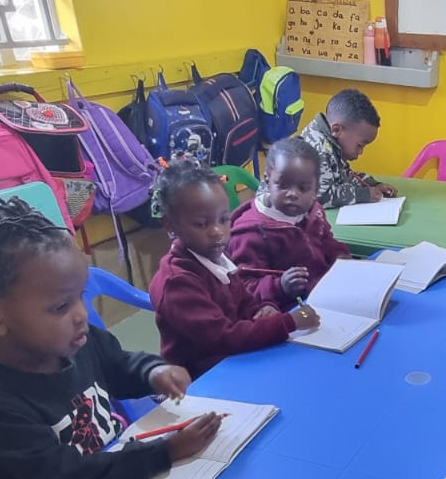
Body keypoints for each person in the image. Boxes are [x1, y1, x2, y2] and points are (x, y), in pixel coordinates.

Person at [0, 199, 221, 479]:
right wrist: (165, 453)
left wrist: (152, 371)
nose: (82, 315)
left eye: (80, 296)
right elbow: (63, 477)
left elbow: (118, 365)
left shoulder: (76, 341)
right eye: (61, 307)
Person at [149, 162, 319, 378]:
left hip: (237, 360)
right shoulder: (177, 283)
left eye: (224, 219)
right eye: (201, 224)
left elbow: (245, 301)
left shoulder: (215, 257)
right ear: (170, 225)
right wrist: (288, 322)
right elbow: (222, 338)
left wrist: (264, 309)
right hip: (203, 379)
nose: (217, 232)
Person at [227, 138, 352, 309]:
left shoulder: (313, 211)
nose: (293, 194)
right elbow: (244, 287)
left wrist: (339, 255)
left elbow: (325, 241)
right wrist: (280, 286)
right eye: (283, 185)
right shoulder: (250, 233)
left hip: (325, 293)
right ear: (267, 181)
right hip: (288, 309)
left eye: (303, 188)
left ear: (315, 189)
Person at [299, 88, 398, 208]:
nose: (361, 152)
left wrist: (372, 184)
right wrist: (362, 195)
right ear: (337, 130)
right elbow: (321, 197)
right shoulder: (318, 151)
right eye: (360, 145)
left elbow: (344, 176)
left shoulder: (332, 144)